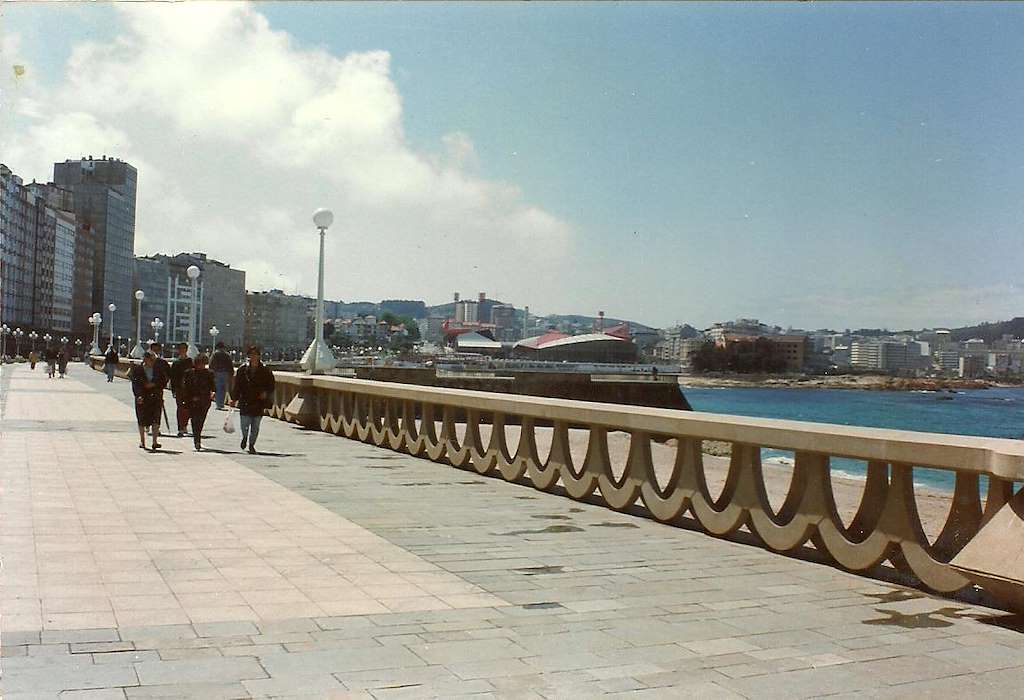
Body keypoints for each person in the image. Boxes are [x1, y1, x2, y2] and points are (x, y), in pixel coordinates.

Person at [232, 345, 275, 454]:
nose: (254, 357)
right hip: (245, 399)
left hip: (258, 401)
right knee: (244, 423)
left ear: (259, 356)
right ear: (248, 356)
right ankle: (245, 437)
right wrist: (234, 398)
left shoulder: (265, 370)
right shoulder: (242, 370)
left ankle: (251, 444)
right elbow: (237, 385)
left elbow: (271, 385)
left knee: (256, 425)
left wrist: (266, 392)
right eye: (252, 354)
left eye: (256, 354)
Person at [129, 352, 166, 451]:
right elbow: (135, 384)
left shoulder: (158, 369)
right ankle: (142, 441)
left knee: (156, 418)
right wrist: (138, 395)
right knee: (141, 419)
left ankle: (154, 441)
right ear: (145, 359)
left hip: (156, 396)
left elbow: (163, 381)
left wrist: (154, 384)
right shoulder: (138, 370)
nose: (153, 362)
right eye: (151, 360)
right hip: (143, 397)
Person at [180, 354, 216, 451]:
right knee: (194, 420)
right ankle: (197, 439)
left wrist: (213, 393)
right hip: (192, 400)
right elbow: (185, 387)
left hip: (204, 401)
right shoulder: (189, 373)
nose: (201, 366)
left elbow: (213, 387)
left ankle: (197, 437)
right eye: (199, 363)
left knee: (201, 420)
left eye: (203, 364)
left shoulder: (209, 374)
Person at [209, 342, 235, 410]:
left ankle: (219, 404)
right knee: (223, 389)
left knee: (218, 388)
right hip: (225, 373)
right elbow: (230, 365)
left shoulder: (215, 354)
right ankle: (221, 404)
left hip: (217, 373)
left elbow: (211, 364)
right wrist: (231, 373)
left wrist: (211, 372)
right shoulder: (227, 354)